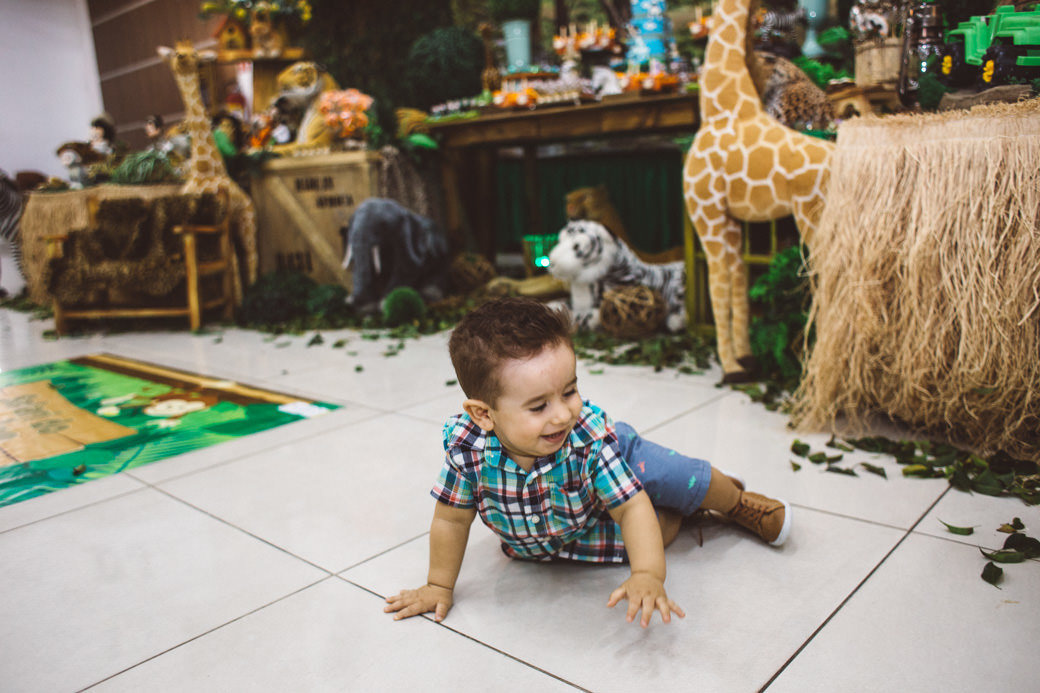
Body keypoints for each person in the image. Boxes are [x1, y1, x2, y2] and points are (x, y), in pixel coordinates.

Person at [385, 297, 792, 628]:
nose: (563, 414)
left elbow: (631, 508)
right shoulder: (468, 452)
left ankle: (734, 501)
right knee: (661, 530)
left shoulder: (585, 436)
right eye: (539, 405)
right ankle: (683, 514)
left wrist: (650, 576)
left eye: (570, 390)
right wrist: (438, 584)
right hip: (563, 529)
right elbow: (451, 520)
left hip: (619, 458)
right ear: (484, 415)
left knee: (681, 480)